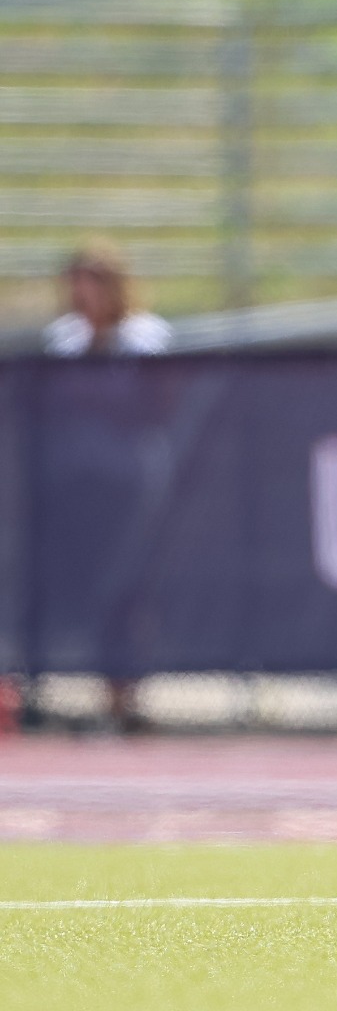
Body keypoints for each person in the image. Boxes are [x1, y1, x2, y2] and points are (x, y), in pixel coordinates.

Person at [42, 240, 172, 733]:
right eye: (77, 281)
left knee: (129, 586)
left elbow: (158, 404)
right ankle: (94, 694)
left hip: (130, 487)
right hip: (77, 488)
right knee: (88, 587)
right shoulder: (63, 340)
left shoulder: (144, 338)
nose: (83, 292)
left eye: (94, 281)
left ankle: (127, 696)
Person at [43, 240, 173, 358]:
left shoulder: (145, 335)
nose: (84, 298)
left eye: (97, 289)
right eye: (75, 285)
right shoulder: (63, 335)